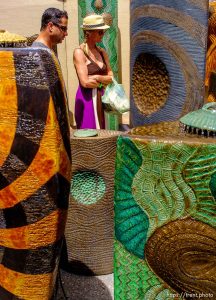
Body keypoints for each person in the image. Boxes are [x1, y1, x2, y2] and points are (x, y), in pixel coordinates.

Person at [73, 14, 113, 129]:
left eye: (103, 31)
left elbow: (111, 77)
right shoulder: (79, 52)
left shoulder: (102, 52)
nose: (103, 34)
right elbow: (85, 82)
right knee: (89, 134)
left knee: (101, 132)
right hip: (87, 100)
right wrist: (102, 82)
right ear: (88, 33)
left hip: (100, 96)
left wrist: (97, 78)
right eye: (100, 32)